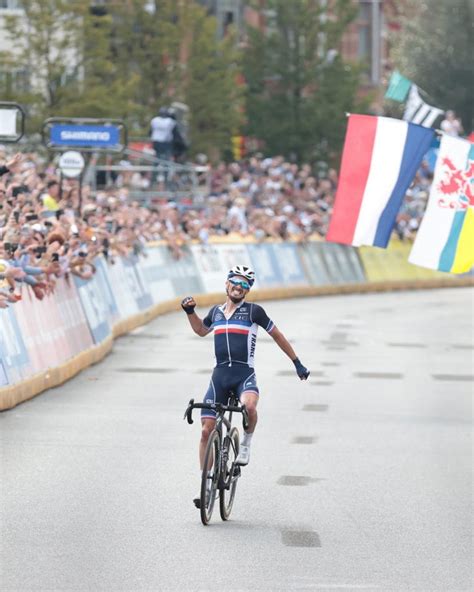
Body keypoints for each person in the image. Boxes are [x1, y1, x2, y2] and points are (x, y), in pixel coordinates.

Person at [181, 264, 310, 508]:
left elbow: (278, 335)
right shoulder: (216, 312)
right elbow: (200, 330)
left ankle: (246, 445)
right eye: (235, 282)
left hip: (244, 375)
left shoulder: (253, 312)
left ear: (248, 289)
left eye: (245, 284)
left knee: (249, 406)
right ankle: (206, 484)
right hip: (219, 377)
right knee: (206, 430)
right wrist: (190, 312)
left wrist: (297, 362)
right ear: (226, 283)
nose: (239, 287)